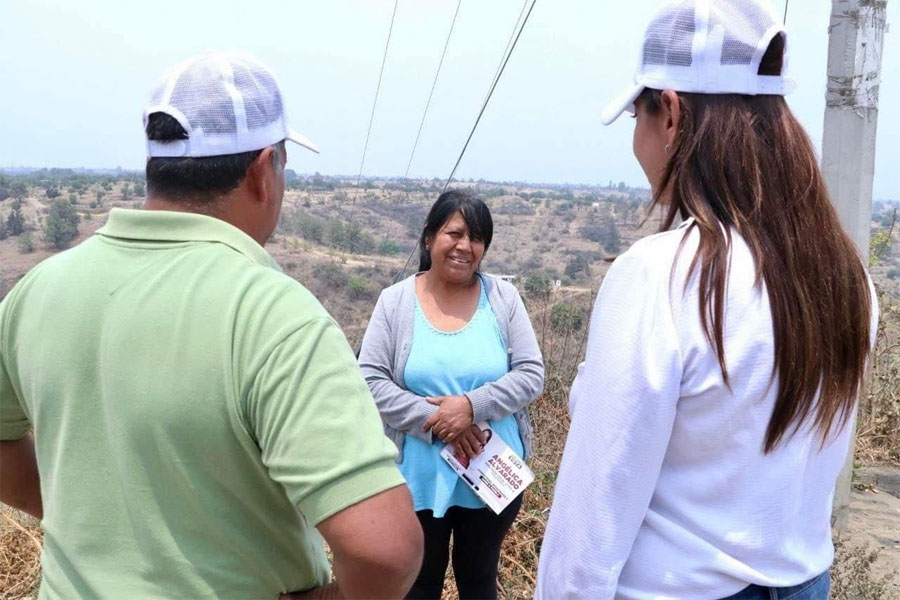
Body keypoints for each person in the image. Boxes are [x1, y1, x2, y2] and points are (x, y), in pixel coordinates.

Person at [0, 52, 423, 599]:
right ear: (262, 171)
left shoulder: (38, 290)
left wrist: (78, 511)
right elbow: (385, 549)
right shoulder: (272, 314)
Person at [536, 1, 878, 599]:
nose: (637, 142)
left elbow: (594, 511)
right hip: (805, 583)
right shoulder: (844, 275)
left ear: (669, 111)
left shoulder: (659, 276)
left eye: (636, 116)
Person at [358, 190, 544, 600]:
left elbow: (532, 374)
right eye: (454, 233)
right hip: (417, 475)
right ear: (428, 238)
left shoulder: (503, 299)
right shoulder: (396, 302)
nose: (465, 246)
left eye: (476, 237)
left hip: (492, 472)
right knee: (419, 585)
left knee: (478, 581)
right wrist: (442, 423)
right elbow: (369, 379)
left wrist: (470, 407)